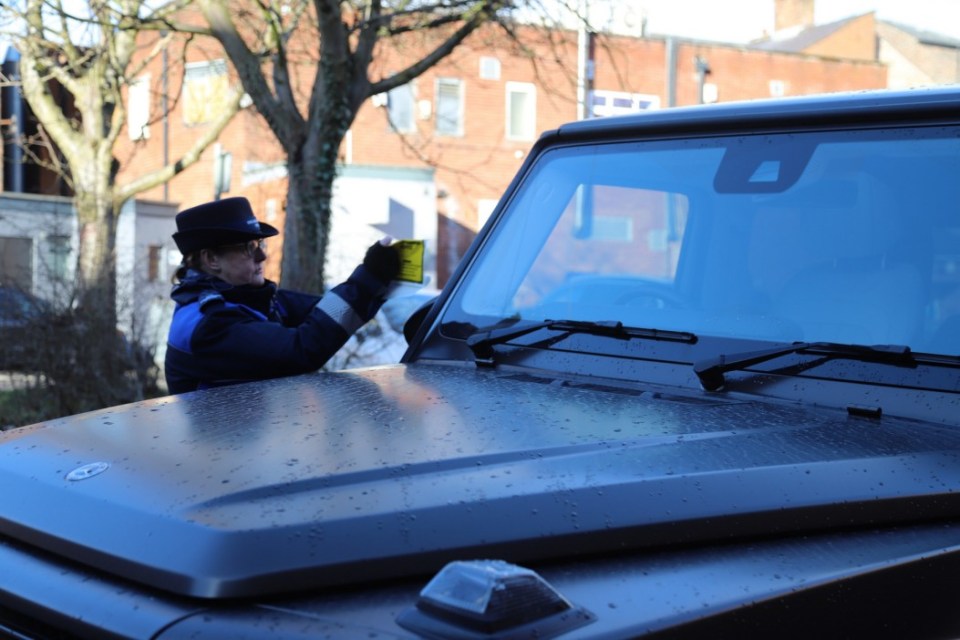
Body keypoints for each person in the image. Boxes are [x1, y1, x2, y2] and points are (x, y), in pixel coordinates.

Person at [164, 196, 400, 394]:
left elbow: (326, 312)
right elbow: (301, 349)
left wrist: (376, 283)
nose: (261, 257)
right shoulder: (209, 325)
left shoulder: (247, 298)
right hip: (219, 448)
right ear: (212, 259)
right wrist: (367, 281)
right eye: (248, 248)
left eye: (259, 244)